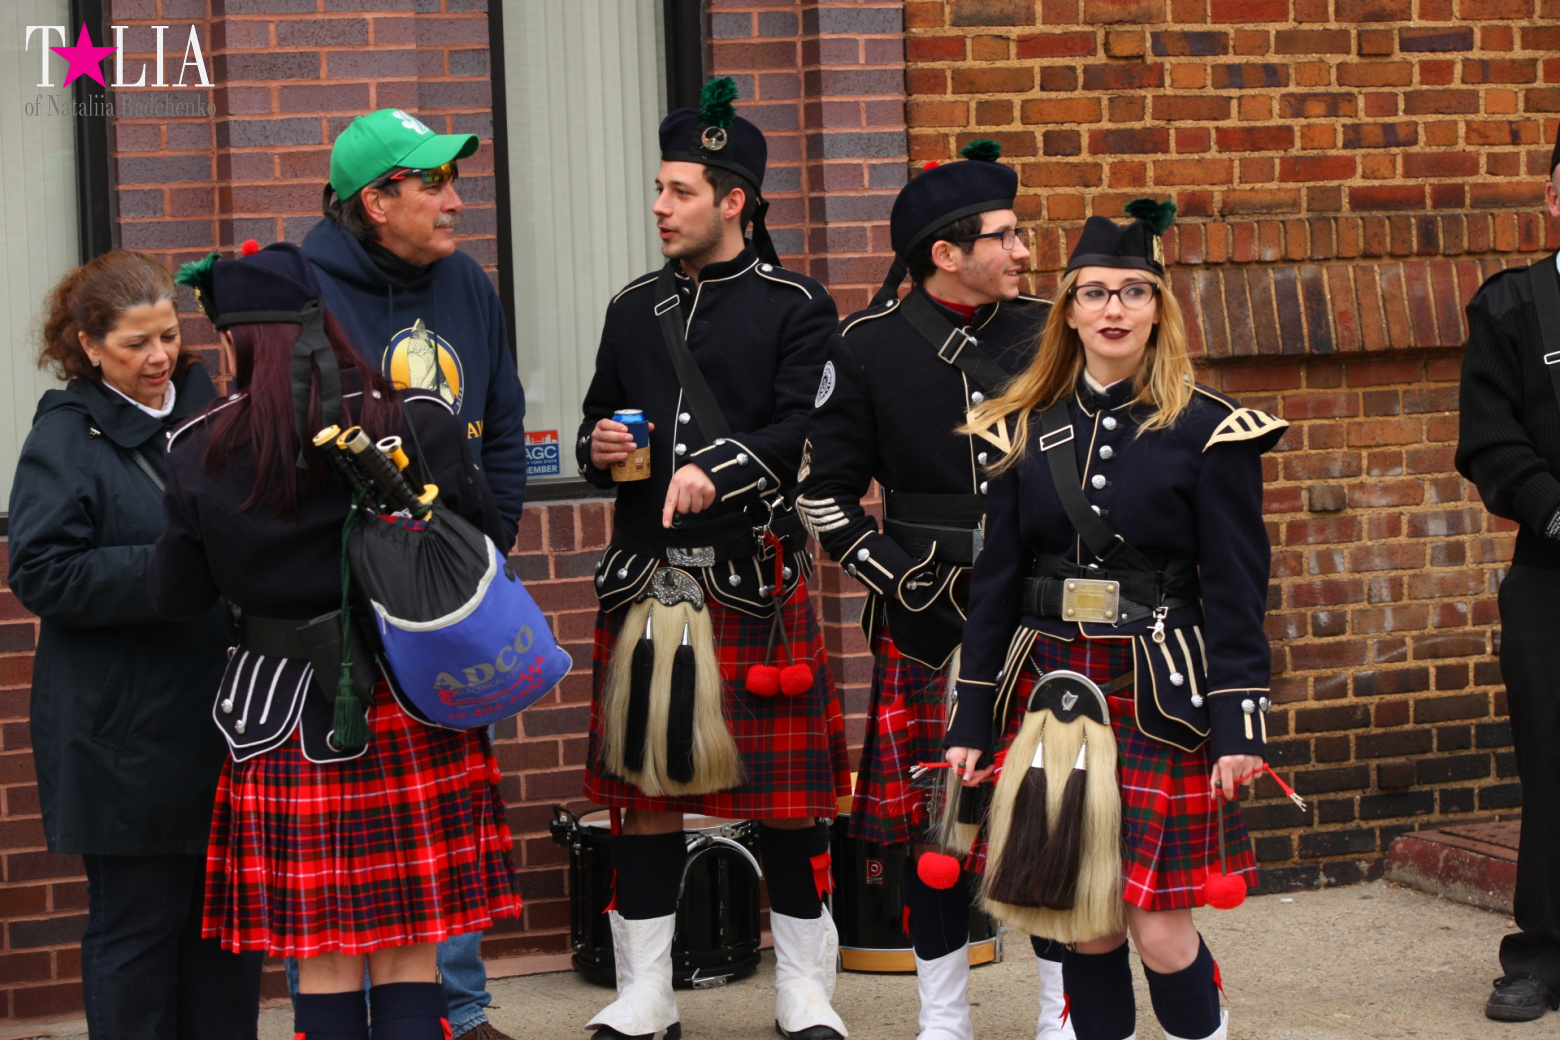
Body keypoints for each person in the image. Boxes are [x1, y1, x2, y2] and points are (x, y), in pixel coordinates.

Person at [147, 243, 521, 1040]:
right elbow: (484, 544)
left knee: (321, 953)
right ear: (327, 323)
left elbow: (176, 595)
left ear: (232, 344)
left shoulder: (197, 448)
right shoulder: (417, 419)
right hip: (414, 699)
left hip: (280, 713)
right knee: (410, 949)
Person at [944, 202, 1286, 1040]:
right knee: (1083, 923)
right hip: (1053, 691)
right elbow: (995, 583)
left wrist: (1239, 722)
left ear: (1158, 309)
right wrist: (972, 716)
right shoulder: (1021, 426)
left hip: (1159, 697)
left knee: (1163, 932)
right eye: (1094, 292)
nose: (1113, 309)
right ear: (1068, 310)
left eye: (1134, 292)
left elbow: (1239, 586)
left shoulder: (1211, 431)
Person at [577, 77, 851, 1040]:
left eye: (680, 190)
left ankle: (803, 990)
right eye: (658, 189)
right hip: (648, 580)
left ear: (733, 199)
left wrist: (719, 470)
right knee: (646, 798)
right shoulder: (631, 307)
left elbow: (806, 428)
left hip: (753, 586)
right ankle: (645, 992)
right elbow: (595, 421)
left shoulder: (796, 306)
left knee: (787, 806)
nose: (660, 206)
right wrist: (600, 450)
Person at [798, 140, 1071, 1040]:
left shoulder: (1053, 331)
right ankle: (942, 1021)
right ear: (944, 254)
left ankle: (1060, 1014)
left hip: (1040, 616)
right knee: (938, 834)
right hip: (928, 626)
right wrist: (896, 575)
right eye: (1006, 236)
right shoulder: (867, 348)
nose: (1025, 252)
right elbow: (823, 493)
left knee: (1057, 817)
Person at [301, 106, 526, 1040]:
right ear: (375, 199)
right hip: (353, 604)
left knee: (441, 837)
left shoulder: (465, 283)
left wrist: (488, 552)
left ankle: (459, 1016)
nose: (454, 201)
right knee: (351, 859)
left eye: (451, 181)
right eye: (432, 184)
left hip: (454, 590)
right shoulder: (303, 287)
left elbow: (504, 423)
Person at [7, 250, 262, 1039]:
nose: (157, 358)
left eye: (167, 336)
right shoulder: (65, 438)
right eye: (133, 344)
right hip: (120, 739)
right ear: (88, 345)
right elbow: (43, 572)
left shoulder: (211, 415)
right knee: (137, 935)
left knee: (226, 940)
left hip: (218, 725)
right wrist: (176, 567)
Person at [1456, 128, 1560, 1023]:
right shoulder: (1514, 308)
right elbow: (1489, 441)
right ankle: (1540, 955)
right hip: (1553, 573)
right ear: (1555, 197)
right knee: (1552, 765)